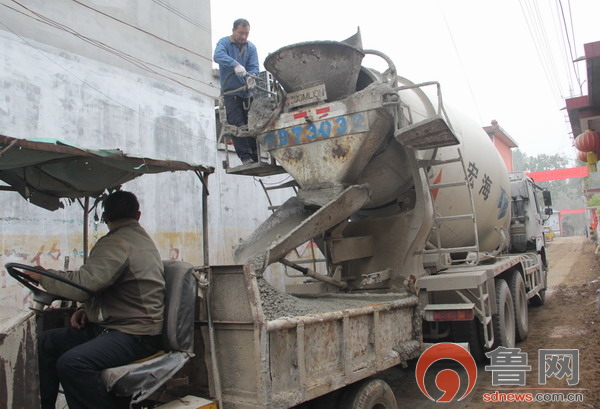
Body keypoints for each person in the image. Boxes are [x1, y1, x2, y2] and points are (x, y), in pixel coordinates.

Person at [25, 191, 165, 409]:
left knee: (72, 364)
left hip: (135, 333)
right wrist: (88, 310)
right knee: (44, 343)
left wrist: (44, 276)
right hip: (118, 326)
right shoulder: (137, 240)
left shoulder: (118, 242)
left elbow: (84, 285)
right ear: (138, 215)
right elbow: (107, 284)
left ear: (105, 217)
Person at [214, 18, 260, 165]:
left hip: (247, 93)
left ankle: (256, 156)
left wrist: (252, 77)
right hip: (231, 92)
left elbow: (254, 67)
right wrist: (235, 65)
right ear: (233, 30)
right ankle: (246, 157)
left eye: (246, 33)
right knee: (236, 124)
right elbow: (218, 55)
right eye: (240, 33)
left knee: (251, 123)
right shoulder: (224, 43)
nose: (243, 36)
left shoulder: (251, 48)